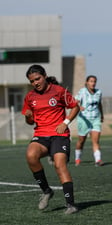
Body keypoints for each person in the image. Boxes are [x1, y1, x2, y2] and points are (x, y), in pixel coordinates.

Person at [22, 64, 80, 214]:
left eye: (38, 79)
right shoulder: (30, 97)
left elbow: (75, 106)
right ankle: (47, 191)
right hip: (41, 135)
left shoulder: (59, 91)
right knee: (30, 155)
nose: (35, 83)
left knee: (59, 165)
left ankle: (71, 205)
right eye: (32, 81)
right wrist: (28, 117)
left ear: (45, 76)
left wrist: (65, 123)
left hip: (59, 135)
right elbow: (30, 122)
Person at [74, 75, 104, 167]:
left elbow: (99, 104)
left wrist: (102, 115)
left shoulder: (99, 92)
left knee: (95, 141)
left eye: (94, 81)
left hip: (95, 119)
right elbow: (74, 102)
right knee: (81, 141)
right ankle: (77, 158)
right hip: (84, 119)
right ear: (87, 82)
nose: (93, 83)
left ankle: (98, 160)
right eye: (91, 81)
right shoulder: (82, 91)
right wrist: (79, 107)